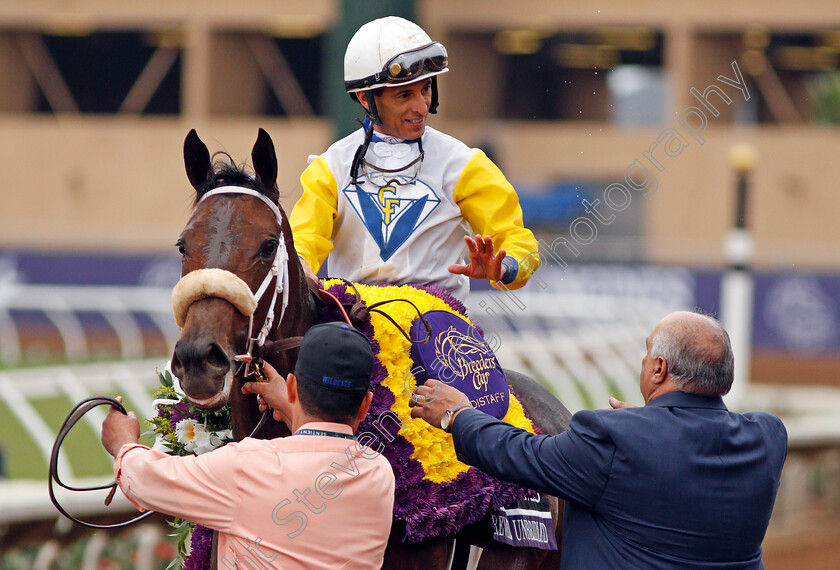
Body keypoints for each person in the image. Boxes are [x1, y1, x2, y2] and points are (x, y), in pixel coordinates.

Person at [409, 311, 788, 569]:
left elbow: (517, 452)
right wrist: (646, 430)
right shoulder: (768, 438)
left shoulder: (615, 439)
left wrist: (455, 413)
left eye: (646, 352)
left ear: (659, 369)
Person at [102, 323, 395, 570]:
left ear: (292, 386)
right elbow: (325, 456)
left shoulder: (246, 465)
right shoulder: (380, 475)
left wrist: (122, 444)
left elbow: (146, 480)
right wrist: (293, 409)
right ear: (365, 405)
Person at [290, 16, 540, 300]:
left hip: (439, 324)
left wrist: (504, 267)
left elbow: (517, 240)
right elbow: (302, 243)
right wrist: (300, 267)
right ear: (364, 97)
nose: (421, 107)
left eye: (426, 89)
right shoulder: (330, 167)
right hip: (351, 320)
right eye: (404, 95)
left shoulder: (464, 164)